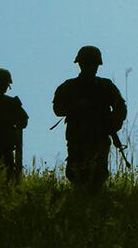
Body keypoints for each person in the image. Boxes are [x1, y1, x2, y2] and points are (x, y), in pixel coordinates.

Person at [52, 46, 128, 192]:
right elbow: (58, 109)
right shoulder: (69, 87)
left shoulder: (105, 86)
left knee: (97, 176)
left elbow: (120, 108)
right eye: (88, 63)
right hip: (78, 138)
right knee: (77, 174)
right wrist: (78, 107)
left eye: (93, 64)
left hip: (98, 137)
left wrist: (112, 124)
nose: (91, 67)